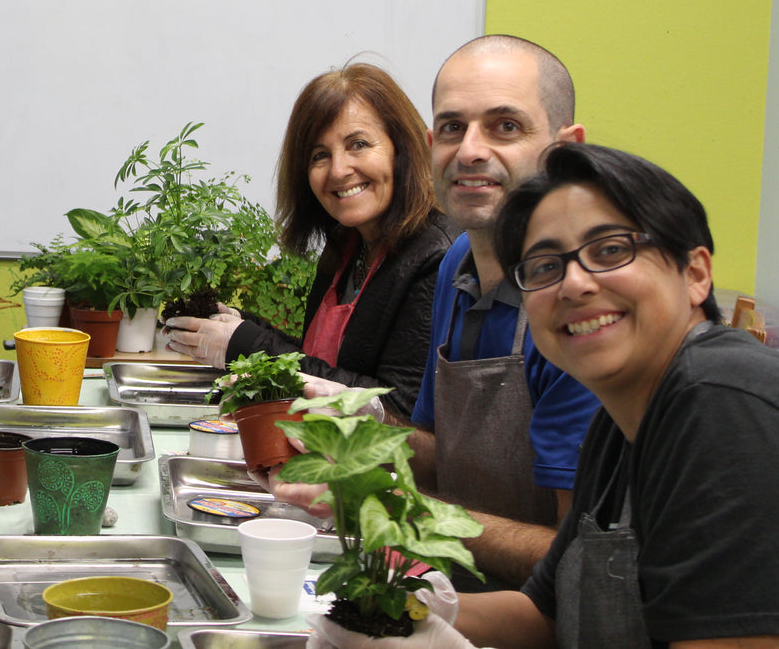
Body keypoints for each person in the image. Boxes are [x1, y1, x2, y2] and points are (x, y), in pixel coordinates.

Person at [317, 144, 779, 648]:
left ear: (694, 274)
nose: (574, 284)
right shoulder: (616, 422)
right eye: (543, 267)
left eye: (609, 251)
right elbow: (544, 612)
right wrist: (394, 613)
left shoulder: (720, 396)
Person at [270, 36, 601, 590]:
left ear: (566, 151)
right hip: (445, 581)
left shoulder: (585, 310)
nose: (470, 150)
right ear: (428, 146)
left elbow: (578, 564)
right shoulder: (457, 265)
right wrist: (362, 422)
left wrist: (393, 505)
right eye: (452, 128)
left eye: (505, 127)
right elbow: (439, 452)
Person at [165, 62, 456, 420]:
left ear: (403, 149)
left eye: (358, 144)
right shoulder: (348, 244)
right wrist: (241, 325)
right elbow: (321, 362)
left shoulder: (436, 257)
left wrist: (245, 344)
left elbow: (393, 411)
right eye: (320, 155)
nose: (338, 170)